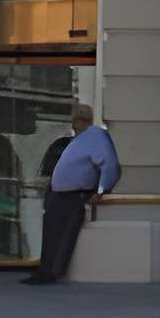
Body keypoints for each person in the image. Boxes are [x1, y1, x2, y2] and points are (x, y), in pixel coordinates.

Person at [23, 103, 118, 285]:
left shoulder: (95, 136)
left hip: (74, 194)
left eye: (75, 120)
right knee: (52, 232)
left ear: (78, 120)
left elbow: (109, 165)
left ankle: (50, 271)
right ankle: (45, 269)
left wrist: (100, 190)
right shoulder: (80, 139)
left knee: (61, 234)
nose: (73, 124)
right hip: (62, 193)